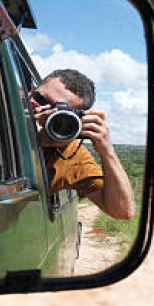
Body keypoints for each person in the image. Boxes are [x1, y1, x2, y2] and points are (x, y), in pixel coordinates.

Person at [29, 69, 135, 220]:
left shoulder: (69, 155)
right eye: (40, 99)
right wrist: (28, 134)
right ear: (29, 92)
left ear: (77, 123)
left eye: (57, 113)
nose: (41, 110)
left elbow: (122, 211)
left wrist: (106, 151)